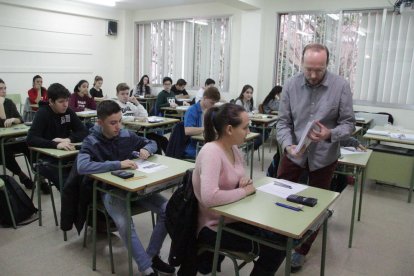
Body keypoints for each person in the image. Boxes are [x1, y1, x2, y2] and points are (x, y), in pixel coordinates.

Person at [276, 43, 355, 272]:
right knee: (280, 193)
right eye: (308, 68)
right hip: (294, 153)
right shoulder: (291, 85)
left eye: (318, 70)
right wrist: (288, 145)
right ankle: (279, 237)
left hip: (324, 155)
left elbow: (349, 123)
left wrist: (331, 134)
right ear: (301, 63)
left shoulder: (340, 86)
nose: (312, 75)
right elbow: (283, 122)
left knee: (317, 205)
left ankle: (301, 250)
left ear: (326, 65)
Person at [77, 100, 175, 276]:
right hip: (110, 191)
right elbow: (82, 166)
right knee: (124, 223)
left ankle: (152, 256)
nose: (118, 127)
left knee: (168, 209)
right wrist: (117, 164)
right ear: (100, 123)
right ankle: (146, 269)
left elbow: (151, 142)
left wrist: (147, 149)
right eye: (112, 123)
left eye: (120, 121)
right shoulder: (91, 141)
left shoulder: (125, 134)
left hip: (134, 187)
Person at [193, 103, 286, 276]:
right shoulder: (211, 152)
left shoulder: (233, 148)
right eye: (245, 127)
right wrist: (243, 191)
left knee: (281, 234)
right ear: (229, 129)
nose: (249, 131)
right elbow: (209, 197)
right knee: (277, 246)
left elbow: (232, 181)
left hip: (234, 217)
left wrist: (242, 183)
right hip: (213, 226)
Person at [27, 83, 88, 193]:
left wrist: (69, 139)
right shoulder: (42, 113)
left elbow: (83, 131)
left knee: (86, 179)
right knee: (69, 187)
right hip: (45, 159)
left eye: (66, 100)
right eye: (61, 102)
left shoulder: (68, 111)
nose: (65, 104)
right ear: (51, 102)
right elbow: (31, 139)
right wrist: (55, 144)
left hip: (66, 154)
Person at [114, 83, 168, 154]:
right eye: (122, 94)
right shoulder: (115, 105)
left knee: (163, 139)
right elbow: (119, 118)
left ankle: (173, 158)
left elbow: (145, 115)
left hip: (138, 130)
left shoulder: (129, 104)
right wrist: (135, 118)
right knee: (155, 142)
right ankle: (157, 161)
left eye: (127, 94)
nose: (125, 96)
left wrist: (137, 103)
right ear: (117, 94)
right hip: (127, 132)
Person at [0, 78, 34, 189]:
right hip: (1, 142)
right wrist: (0, 105)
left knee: (27, 144)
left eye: (5, 88)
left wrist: (14, 119)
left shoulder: (8, 102)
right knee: (4, 152)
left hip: (11, 138)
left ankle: (39, 176)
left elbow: (20, 119)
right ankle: (22, 175)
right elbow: (3, 121)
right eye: (1, 89)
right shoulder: (3, 103)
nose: (4, 91)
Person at [183, 86, 220, 158]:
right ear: (205, 98)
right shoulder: (192, 110)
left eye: (214, 103)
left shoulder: (211, 111)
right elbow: (188, 130)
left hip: (207, 144)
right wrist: (207, 129)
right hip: (194, 146)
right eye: (212, 102)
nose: (213, 105)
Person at [234, 85, 265, 150]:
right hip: (241, 126)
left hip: (249, 125)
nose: (249, 95)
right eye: (247, 92)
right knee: (260, 137)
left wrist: (250, 113)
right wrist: (251, 113)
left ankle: (248, 150)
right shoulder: (239, 102)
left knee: (265, 133)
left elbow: (256, 110)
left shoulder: (249, 102)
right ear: (243, 93)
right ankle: (247, 150)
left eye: (251, 93)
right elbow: (241, 115)